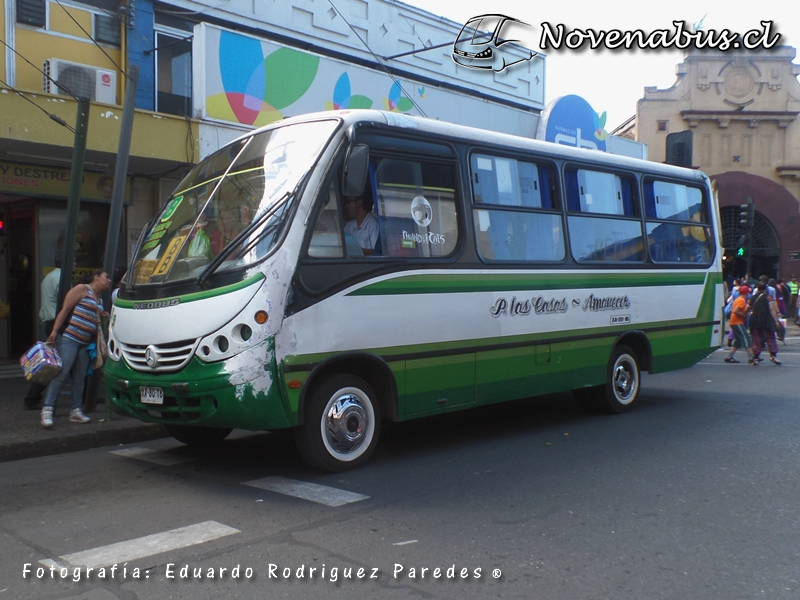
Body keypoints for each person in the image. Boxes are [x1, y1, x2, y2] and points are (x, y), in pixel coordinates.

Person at [39, 269, 111, 428]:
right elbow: (64, 310)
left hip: (85, 342)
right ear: (96, 277)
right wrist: (54, 332)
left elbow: (91, 314)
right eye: (106, 277)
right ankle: (47, 409)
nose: (109, 280)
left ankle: (76, 410)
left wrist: (101, 314)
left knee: (80, 378)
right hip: (70, 338)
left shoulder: (99, 299)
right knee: (62, 372)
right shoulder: (82, 289)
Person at [23, 255, 62, 410]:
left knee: (59, 363)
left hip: (48, 321)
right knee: (51, 364)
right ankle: (32, 397)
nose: (74, 266)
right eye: (73, 262)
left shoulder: (48, 278)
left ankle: (86, 394)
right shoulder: (60, 278)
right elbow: (65, 301)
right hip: (57, 324)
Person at [748, 280, 781, 366]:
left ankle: (756, 357)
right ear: (766, 289)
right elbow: (772, 309)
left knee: (756, 338)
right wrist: (776, 321)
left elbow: (747, 308)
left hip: (755, 319)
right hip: (766, 319)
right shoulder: (768, 297)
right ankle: (773, 355)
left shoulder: (752, 297)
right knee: (770, 336)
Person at [724, 284, 753, 364]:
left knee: (737, 341)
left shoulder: (738, 299)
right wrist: (744, 315)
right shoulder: (741, 300)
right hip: (737, 322)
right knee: (747, 338)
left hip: (734, 322)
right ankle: (751, 357)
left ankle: (729, 356)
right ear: (747, 293)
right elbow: (736, 311)